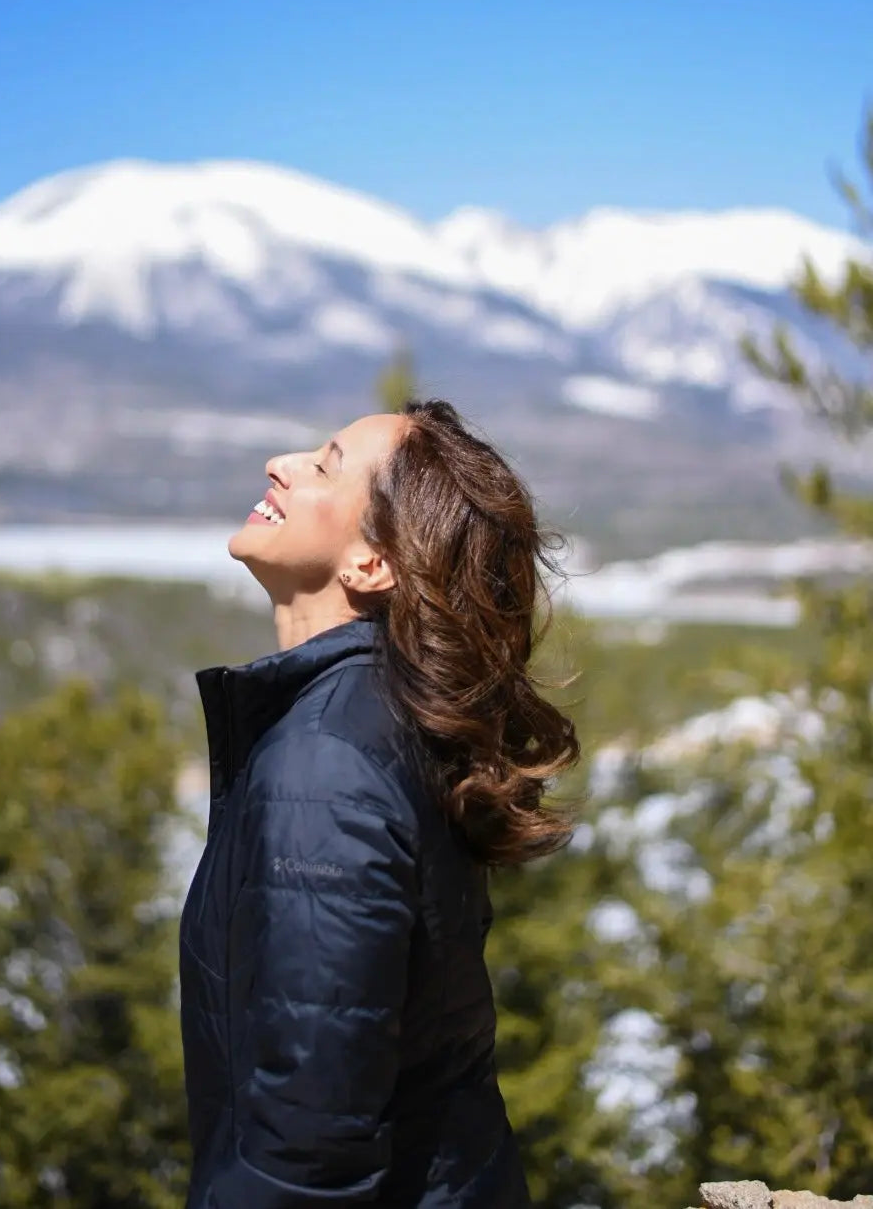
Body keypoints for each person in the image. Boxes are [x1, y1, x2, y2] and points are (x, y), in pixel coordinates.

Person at [179, 397, 580, 1208]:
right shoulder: (375, 725)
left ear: (372, 564)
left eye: (325, 464)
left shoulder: (325, 767)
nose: (279, 463)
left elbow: (309, 1149)